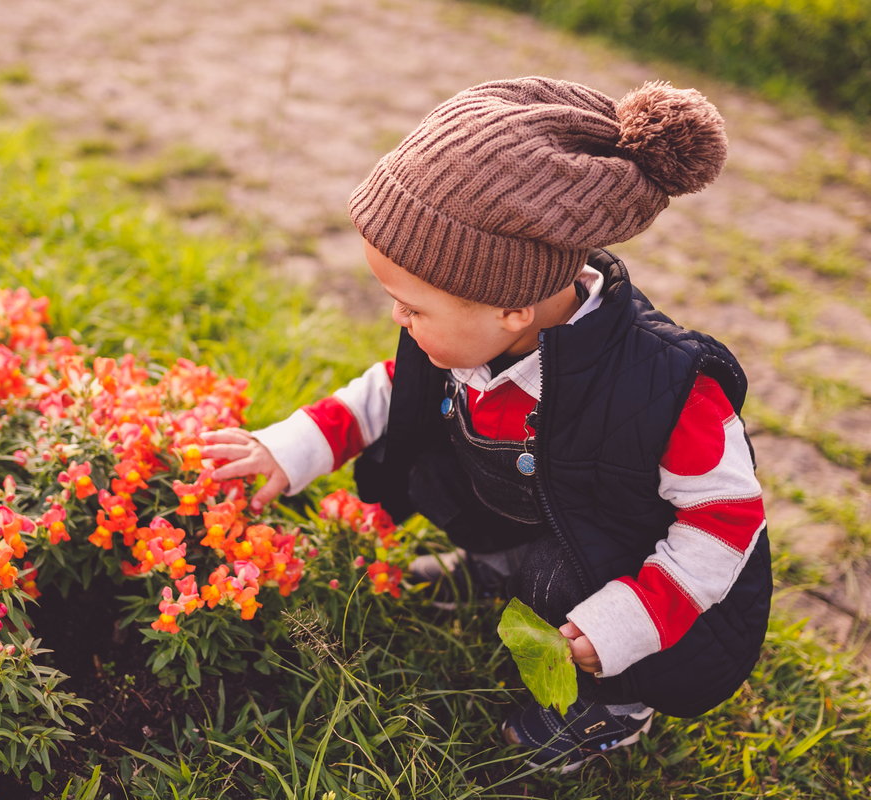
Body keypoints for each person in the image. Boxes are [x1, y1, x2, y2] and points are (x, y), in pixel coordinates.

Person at [202, 77, 771, 772]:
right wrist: (286, 448)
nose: (397, 322)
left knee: (566, 577)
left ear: (510, 310)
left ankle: (613, 705)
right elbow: (393, 393)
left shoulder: (667, 390)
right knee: (442, 470)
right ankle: (499, 568)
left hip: (634, 572)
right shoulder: (479, 339)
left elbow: (726, 521)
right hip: (542, 511)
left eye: (411, 309)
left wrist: (632, 618)